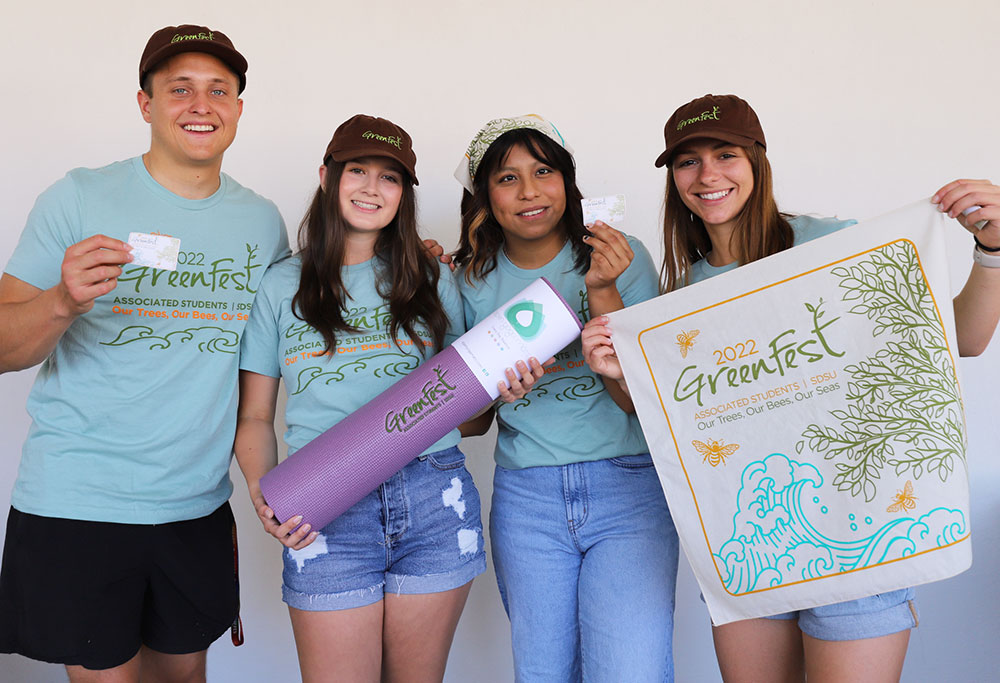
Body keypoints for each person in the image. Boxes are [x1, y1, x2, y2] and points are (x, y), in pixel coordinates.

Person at [581, 93, 1000, 683]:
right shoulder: (680, 296)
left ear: (756, 162)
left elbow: (962, 338)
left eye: (725, 154)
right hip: (752, 552)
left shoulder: (830, 244)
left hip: (862, 536)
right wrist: (621, 373)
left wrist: (992, 251)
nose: (707, 176)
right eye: (687, 162)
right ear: (673, 178)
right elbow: (666, 423)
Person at [0, 24, 290, 682]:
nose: (200, 104)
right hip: (81, 502)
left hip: (195, 508)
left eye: (218, 89)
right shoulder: (79, 196)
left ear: (238, 110)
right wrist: (61, 302)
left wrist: (414, 260)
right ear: (145, 103)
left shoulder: (261, 222)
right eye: (179, 88)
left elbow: (275, 350)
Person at [234, 114, 542, 682]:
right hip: (323, 502)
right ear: (327, 177)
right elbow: (254, 414)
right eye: (357, 171)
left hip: (434, 496)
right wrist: (263, 489)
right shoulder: (281, 285)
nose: (372, 188)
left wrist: (502, 393)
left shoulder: (430, 275)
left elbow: (465, 406)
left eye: (390, 178)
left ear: (405, 194)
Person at [452, 115, 680, 682]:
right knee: (543, 673)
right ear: (484, 196)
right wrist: (496, 395)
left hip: (628, 488)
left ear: (567, 181)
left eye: (544, 171)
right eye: (507, 178)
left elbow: (639, 402)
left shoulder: (621, 259)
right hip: (527, 500)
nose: (529, 191)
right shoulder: (467, 280)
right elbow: (470, 423)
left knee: (633, 672)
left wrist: (603, 291)